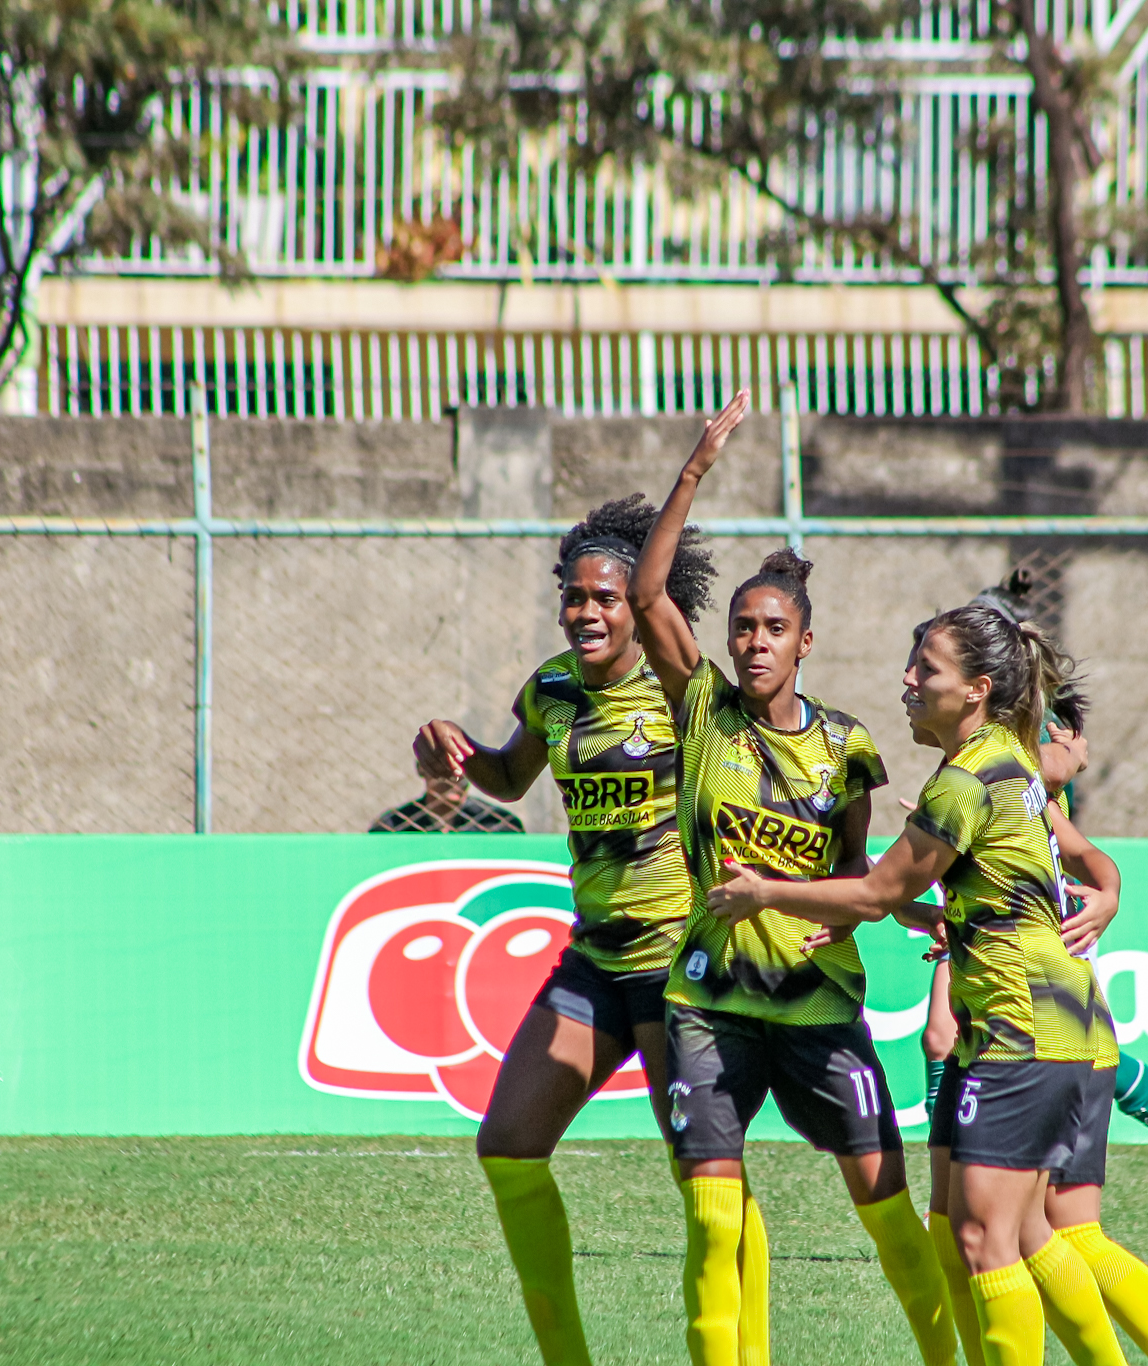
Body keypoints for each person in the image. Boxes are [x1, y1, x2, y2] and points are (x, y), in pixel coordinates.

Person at [710, 603, 1148, 1366]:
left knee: (987, 1235)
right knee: (997, 1228)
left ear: (975, 689)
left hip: (1024, 1031)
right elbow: (1048, 858)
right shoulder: (1001, 754)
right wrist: (1106, 889)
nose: (907, 681)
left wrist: (768, 893)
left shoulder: (969, 780)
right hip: (1019, 1029)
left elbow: (872, 892)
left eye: (926, 670)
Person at [627, 390, 956, 1366]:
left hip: (816, 1008)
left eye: (773, 627)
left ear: (802, 642)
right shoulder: (702, 714)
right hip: (709, 1004)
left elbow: (860, 869)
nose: (754, 640)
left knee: (889, 1213)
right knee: (712, 1224)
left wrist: (881, 916)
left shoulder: (849, 746)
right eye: (742, 627)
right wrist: (695, 465)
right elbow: (650, 599)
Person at [411, 492, 772, 1366]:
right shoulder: (553, 690)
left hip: (678, 963)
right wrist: (452, 753)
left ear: (637, 606)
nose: (585, 613)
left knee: (706, 1182)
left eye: (605, 598)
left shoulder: (681, 689)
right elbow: (507, 773)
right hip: (595, 957)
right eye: (573, 597)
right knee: (508, 1146)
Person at [918, 577, 1148, 1231]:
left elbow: (1065, 773)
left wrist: (1108, 893)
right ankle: (950, 1201)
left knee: (1093, 1058)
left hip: (1038, 920)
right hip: (981, 920)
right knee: (941, 1036)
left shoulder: (1018, 745)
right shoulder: (972, 753)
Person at [368, 764, 526, 832]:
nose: (455, 775)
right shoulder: (394, 826)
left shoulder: (497, 824)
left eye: (463, 766)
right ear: (422, 769)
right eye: (445, 766)